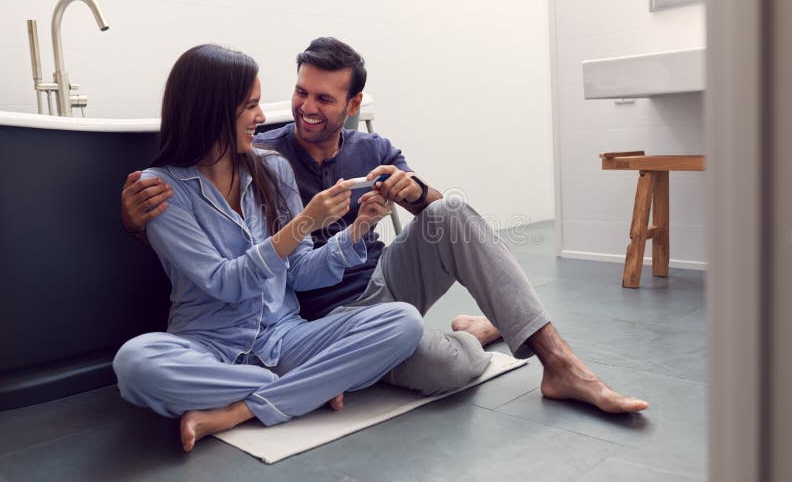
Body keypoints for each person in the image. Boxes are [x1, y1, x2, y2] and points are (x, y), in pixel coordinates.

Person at [122, 37, 648, 413]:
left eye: (323, 99)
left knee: (453, 212)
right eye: (300, 93)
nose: (300, 109)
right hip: (321, 321)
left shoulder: (364, 149)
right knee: (450, 368)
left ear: (353, 106)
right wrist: (136, 221)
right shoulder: (265, 153)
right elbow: (218, 263)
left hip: (376, 293)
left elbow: (438, 220)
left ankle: (558, 363)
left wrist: (404, 199)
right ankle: (449, 339)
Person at [113, 44, 424, 453]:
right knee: (134, 364)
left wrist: (358, 229)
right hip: (209, 349)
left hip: (287, 338)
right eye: (251, 105)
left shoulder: (273, 168)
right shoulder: (163, 189)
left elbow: (298, 272)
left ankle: (240, 409)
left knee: (403, 322)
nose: (261, 118)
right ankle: (304, 389)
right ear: (213, 110)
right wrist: (304, 224)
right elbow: (223, 282)